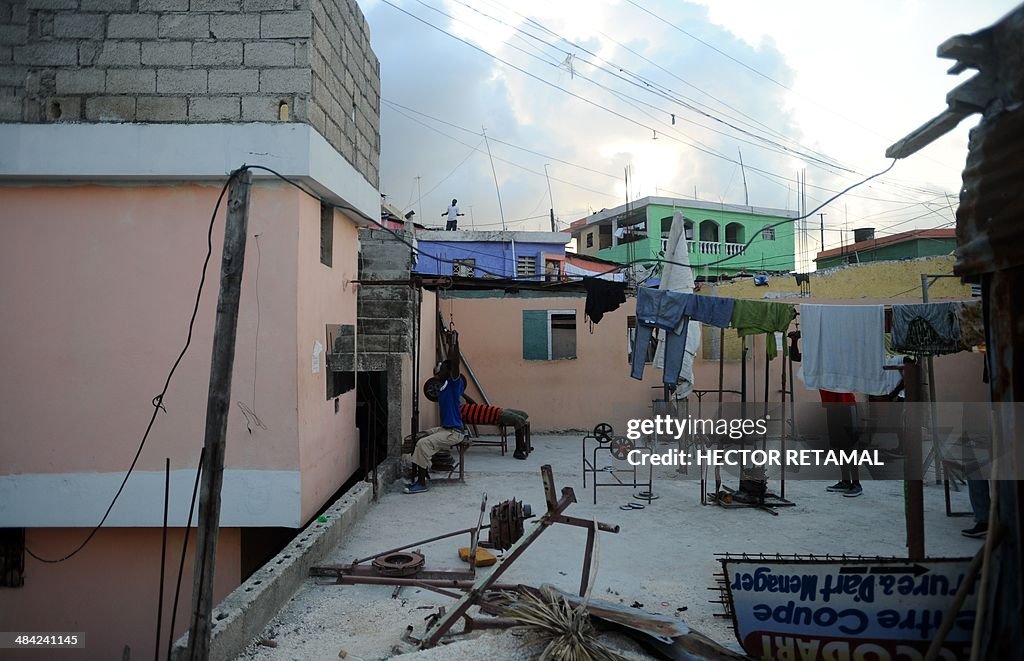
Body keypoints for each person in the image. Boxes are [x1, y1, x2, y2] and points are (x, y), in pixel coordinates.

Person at [404, 332, 466, 494]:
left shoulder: (453, 383)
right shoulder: (443, 384)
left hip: (455, 432)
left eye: (442, 366)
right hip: (445, 428)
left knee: (424, 444)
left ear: (448, 369)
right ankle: (419, 472)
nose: (438, 367)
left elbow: (455, 362)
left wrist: (454, 343)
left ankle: (421, 483)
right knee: (417, 438)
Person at [820, 390, 863, 497]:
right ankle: (845, 481)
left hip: (846, 406)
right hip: (831, 406)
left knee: (849, 445)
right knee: (838, 445)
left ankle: (856, 484)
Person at [460, 396, 532, 460]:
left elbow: (473, 403)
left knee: (524, 414)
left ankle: (522, 445)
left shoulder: (460, 406)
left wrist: (463, 394)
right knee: (519, 420)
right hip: (496, 416)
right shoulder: (456, 412)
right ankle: (518, 450)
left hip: (498, 410)